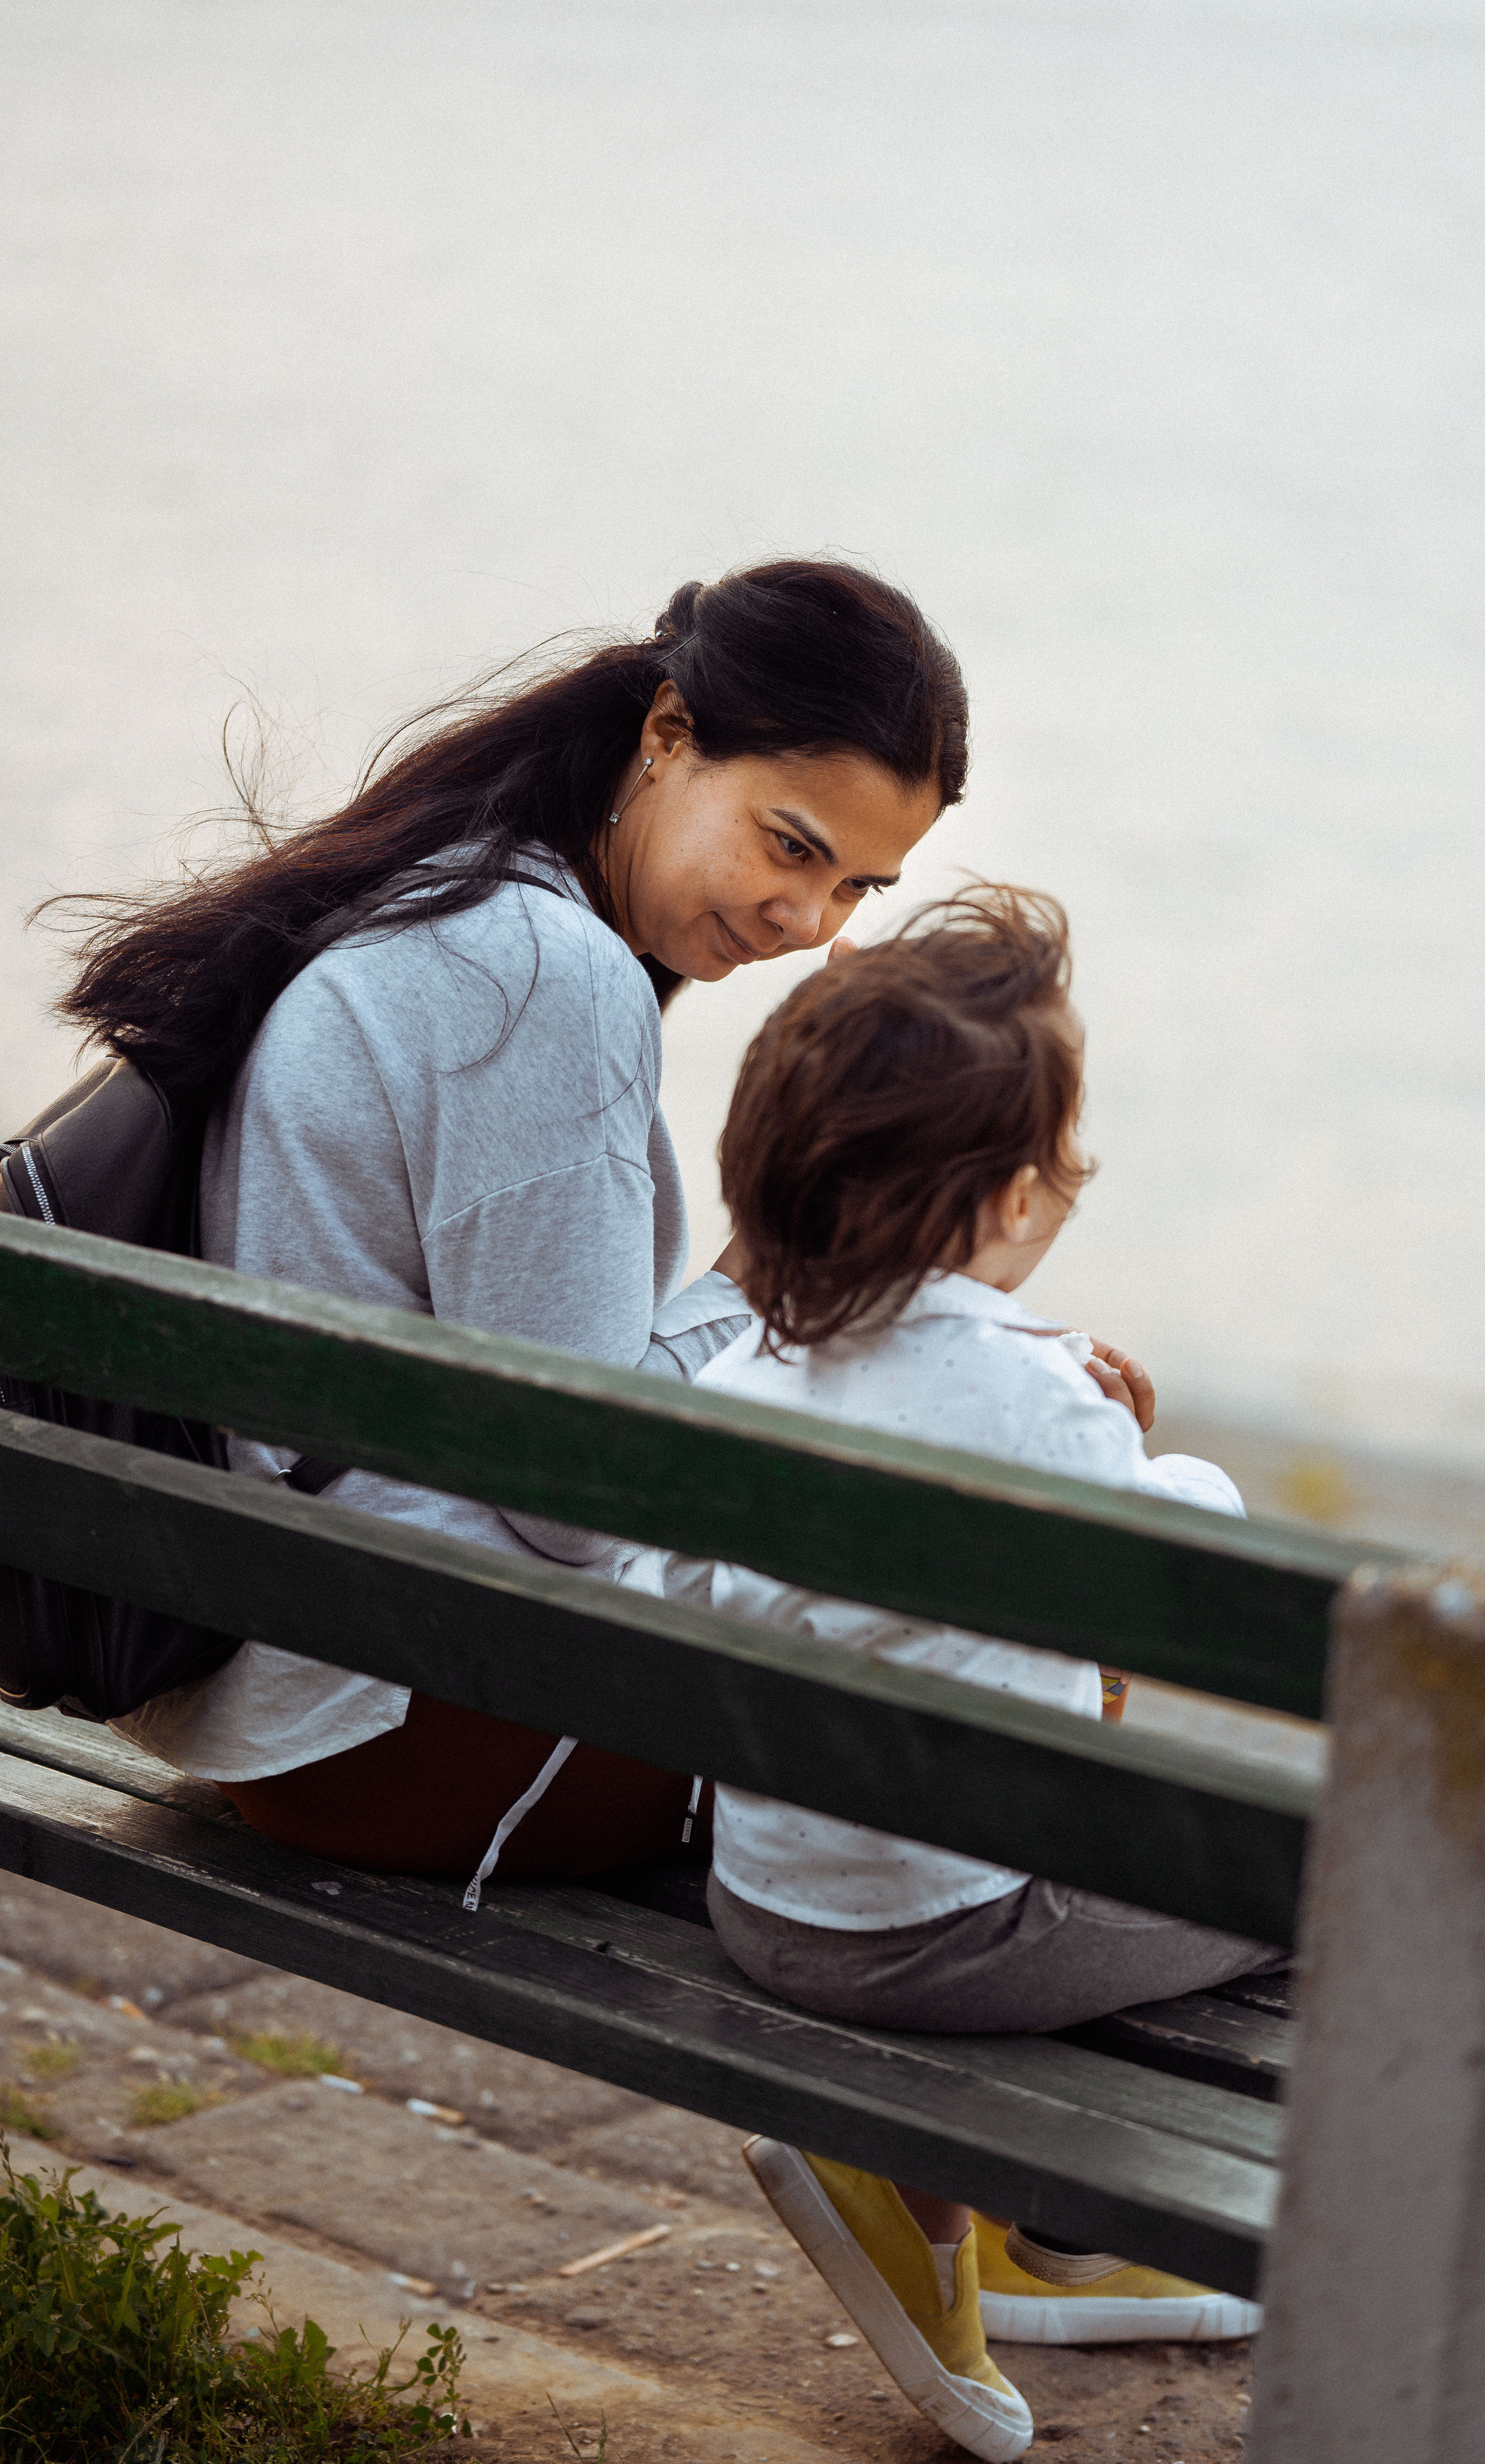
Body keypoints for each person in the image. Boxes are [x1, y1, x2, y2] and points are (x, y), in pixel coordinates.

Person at [48, 559, 967, 1880]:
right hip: (404, 1720)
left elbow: (535, 1396)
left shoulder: (445, 881)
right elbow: (580, 1501)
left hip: (290, 1677)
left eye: (857, 891)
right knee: (1017, 1749)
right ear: (666, 736)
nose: (804, 919)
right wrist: (775, 1275)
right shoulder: (546, 974)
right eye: (790, 844)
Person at [624, 888, 1281, 2463]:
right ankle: (1059, 2217)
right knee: (1328, 1888)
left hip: (769, 1902)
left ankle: (1031, 2246)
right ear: (996, 1201)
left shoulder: (734, 1378)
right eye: (1060, 1153)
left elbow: (670, 1592)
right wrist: (1134, 1445)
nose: (1073, 1178)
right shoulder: (1033, 1404)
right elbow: (1200, 1572)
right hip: (955, 1935)